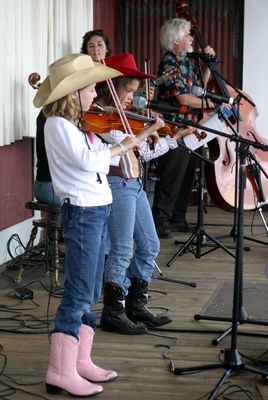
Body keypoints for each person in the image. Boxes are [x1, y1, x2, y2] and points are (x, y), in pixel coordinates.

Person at [32, 53, 158, 397]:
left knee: (90, 292)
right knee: (77, 293)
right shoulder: (58, 125)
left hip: (97, 210)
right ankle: (60, 371)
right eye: (89, 89)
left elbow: (97, 165)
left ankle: (80, 361)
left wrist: (130, 140)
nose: (94, 95)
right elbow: (90, 163)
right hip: (84, 213)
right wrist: (122, 146)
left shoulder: (77, 125)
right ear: (72, 93)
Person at [94, 52, 194, 335]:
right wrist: (148, 128)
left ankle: (136, 305)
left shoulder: (124, 118)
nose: (131, 99)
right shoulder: (99, 116)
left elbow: (145, 152)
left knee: (150, 245)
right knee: (122, 249)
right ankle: (113, 311)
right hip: (116, 184)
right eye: (128, 91)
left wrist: (173, 138)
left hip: (134, 185)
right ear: (111, 85)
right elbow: (120, 143)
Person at [152, 18, 215, 239]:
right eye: (189, 34)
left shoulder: (186, 61)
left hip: (190, 127)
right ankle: (161, 220)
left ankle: (178, 217)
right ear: (177, 39)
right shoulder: (171, 63)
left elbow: (200, 89)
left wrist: (207, 65)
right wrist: (211, 104)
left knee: (188, 173)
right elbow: (183, 98)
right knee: (172, 174)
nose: (192, 38)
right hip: (174, 127)